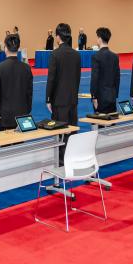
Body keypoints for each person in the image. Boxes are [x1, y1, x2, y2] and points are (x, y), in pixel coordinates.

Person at [46, 23, 81, 163]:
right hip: (72, 98)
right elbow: (78, 78)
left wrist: (48, 99)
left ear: (58, 37)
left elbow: (51, 79)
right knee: (72, 129)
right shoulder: (76, 54)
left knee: (60, 131)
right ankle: (72, 156)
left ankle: (61, 160)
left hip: (59, 100)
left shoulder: (55, 54)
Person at [0, 34, 33, 131]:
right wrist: (27, 111)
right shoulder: (26, 68)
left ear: (5, 48)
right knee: (21, 141)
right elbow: (29, 93)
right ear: (18, 48)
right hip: (22, 115)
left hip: (4, 115)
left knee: (5, 141)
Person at [90, 27, 120, 114]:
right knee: (112, 119)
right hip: (112, 96)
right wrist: (115, 95)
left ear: (100, 39)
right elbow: (117, 77)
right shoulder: (115, 56)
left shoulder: (96, 56)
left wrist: (94, 97)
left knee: (100, 120)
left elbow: (94, 78)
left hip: (101, 97)